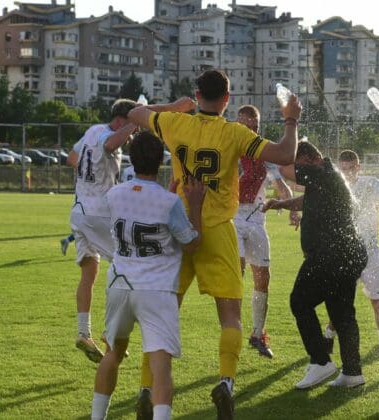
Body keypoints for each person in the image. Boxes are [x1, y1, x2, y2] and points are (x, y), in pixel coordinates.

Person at [128, 69, 301, 419]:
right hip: (219, 228)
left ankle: (146, 387)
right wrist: (291, 119)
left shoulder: (175, 122)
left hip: (178, 227)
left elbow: (134, 111)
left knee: (163, 316)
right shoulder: (234, 132)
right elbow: (285, 154)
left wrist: (174, 107)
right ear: (227, 99)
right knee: (230, 316)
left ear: (197, 95)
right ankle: (225, 382)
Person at [91, 132, 205, 420]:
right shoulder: (169, 201)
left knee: (112, 354)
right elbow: (192, 243)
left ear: (132, 158)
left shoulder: (114, 194)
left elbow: (138, 205)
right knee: (160, 366)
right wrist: (196, 206)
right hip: (156, 288)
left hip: (120, 283)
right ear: (161, 161)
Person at [263, 141, 368, 389]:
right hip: (347, 254)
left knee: (300, 302)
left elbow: (285, 169)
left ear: (309, 160)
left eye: (297, 163)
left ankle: (321, 362)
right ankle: (352, 373)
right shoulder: (326, 175)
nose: (296, 172)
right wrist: (282, 204)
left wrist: (268, 150)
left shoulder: (321, 171)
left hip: (329, 255)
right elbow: (307, 199)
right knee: (342, 313)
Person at [68, 99, 137, 363]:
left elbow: (72, 157)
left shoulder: (93, 130)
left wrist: (92, 172)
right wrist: (134, 124)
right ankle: (111, 331)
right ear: (122, 120)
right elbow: (109, 144)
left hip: (78, 211)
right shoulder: (107, 135)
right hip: (98, 214)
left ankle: (83, 333)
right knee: (125, 266)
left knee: (89, 272)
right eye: (131, 125)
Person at [234, 104, 299, 359]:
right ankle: (232, 332)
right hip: (232, 217)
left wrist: (292, 208)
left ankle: (258, 333)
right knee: (236, 273)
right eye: (245, 125)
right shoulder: (229, 147)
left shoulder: (264, 151)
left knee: (263, 278)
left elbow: (282, 186)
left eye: (254, 126)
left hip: (257, 218)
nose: (250, 130)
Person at [323, 149, 379, 357]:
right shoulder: (334, 188)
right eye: (343, 169)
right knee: (343, 302)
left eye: (350, 169)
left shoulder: (370, 183)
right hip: (346, 252)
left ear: (358, 168)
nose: (347, 173)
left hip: (371, 251)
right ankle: (328, 336)